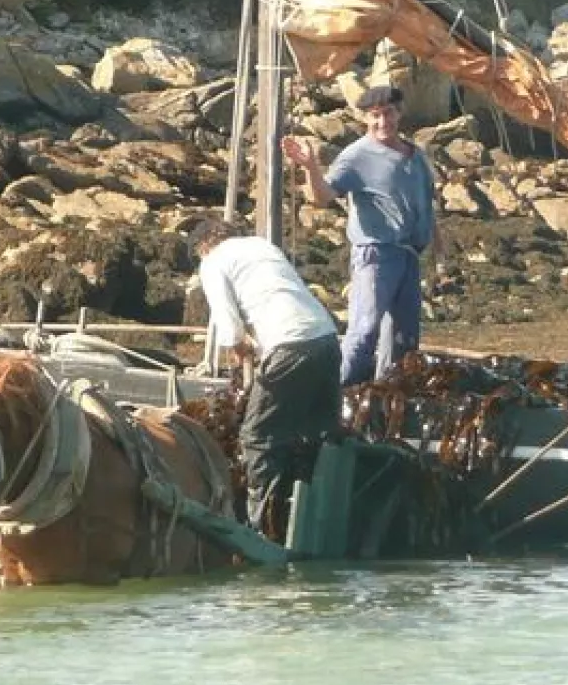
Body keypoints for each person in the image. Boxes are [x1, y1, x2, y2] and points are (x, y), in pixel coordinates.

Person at [187, 218, 341, 538]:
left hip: (290, 346)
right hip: (326, 340)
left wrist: (241, 350)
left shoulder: (213, 262)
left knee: (257, 436)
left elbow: (229, 327)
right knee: (318, 435)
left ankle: (263, 527)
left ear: (204, 246)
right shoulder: (262, 247)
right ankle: (321, 519)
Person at [281, 84, 441, 386]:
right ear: (365, 118)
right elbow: (323, 197)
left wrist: (437, 242)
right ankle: (333, 394)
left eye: (388, 114)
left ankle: (389, 399)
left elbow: (425, 200)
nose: (383, 122)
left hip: (410, 256)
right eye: (375, 116)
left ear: (399, 112)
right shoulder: (356, 156)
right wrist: (310, 167)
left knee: (404, 340)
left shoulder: (415, 156)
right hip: (376, 255)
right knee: (364, 330)